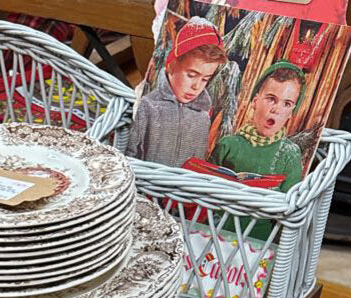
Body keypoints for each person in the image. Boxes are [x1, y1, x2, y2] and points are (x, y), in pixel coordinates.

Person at [129, 17, 228, 168]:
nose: (196, 86)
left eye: (205, 79)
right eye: (191, 75)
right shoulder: (148, 106)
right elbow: (129, 155)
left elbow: (197, 166)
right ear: (171, 66)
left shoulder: (202, 119)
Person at [210, 61, 306, 192]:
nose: (276, 109)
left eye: (287, 104)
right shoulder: (228, 145)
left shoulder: (290, 154)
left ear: (291, 113)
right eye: (271, 99)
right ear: (255, 102)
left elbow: (289, 203)